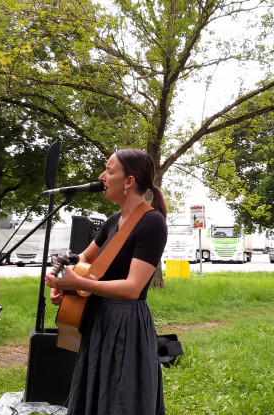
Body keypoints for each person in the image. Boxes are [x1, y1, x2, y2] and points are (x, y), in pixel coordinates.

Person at [45, 148, 168, 415]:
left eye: (109, 171)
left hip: (126, 325)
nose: (101, 177)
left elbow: (133, 288)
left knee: (120, 401)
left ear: (129, 181)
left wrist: (79, 283)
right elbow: (84, 259)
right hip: (98, 320)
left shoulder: (152, 223)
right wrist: (63, 282)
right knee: (95, 395)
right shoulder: (113, 221)